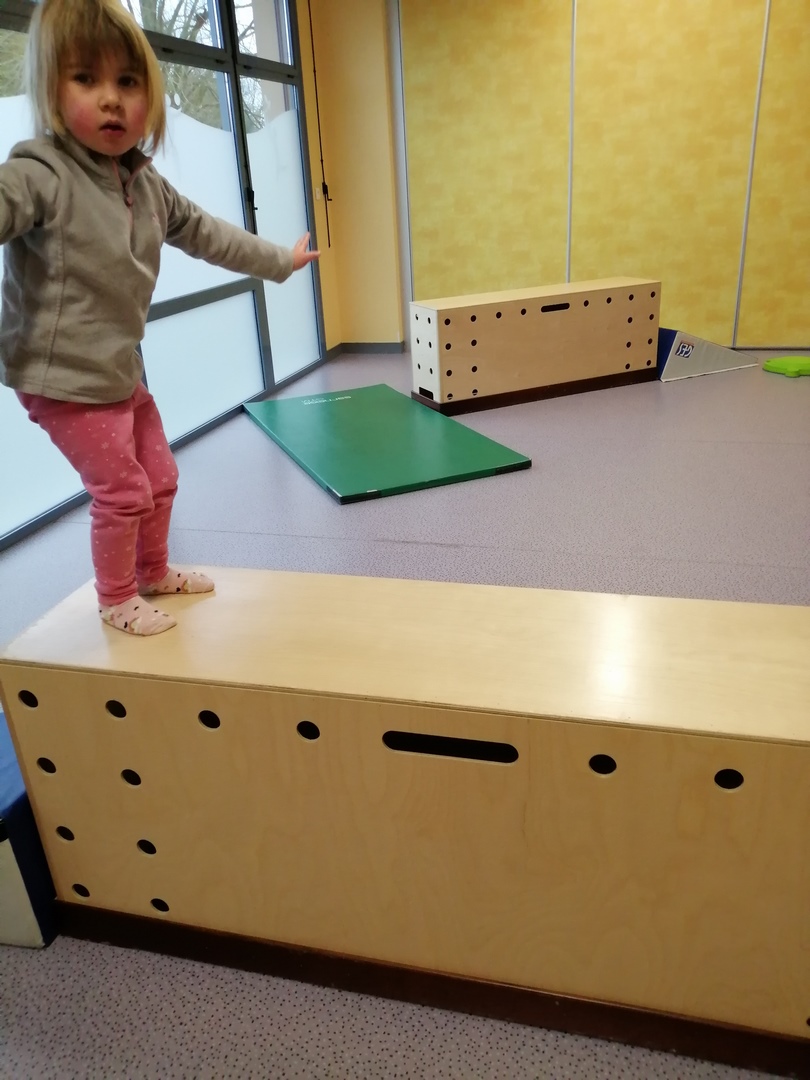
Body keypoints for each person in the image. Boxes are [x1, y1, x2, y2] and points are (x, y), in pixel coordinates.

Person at [0, 0, 319, 636]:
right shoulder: (39, 174)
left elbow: (208, 233)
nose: (111, 99)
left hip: (119, 371)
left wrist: (280, 261)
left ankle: (151, 572)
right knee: (122, 491)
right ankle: (116, 598)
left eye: (128, 82)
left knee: (161, 477)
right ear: (51, 91)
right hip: (62, 378)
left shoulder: (145, 186)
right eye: (85, 78)